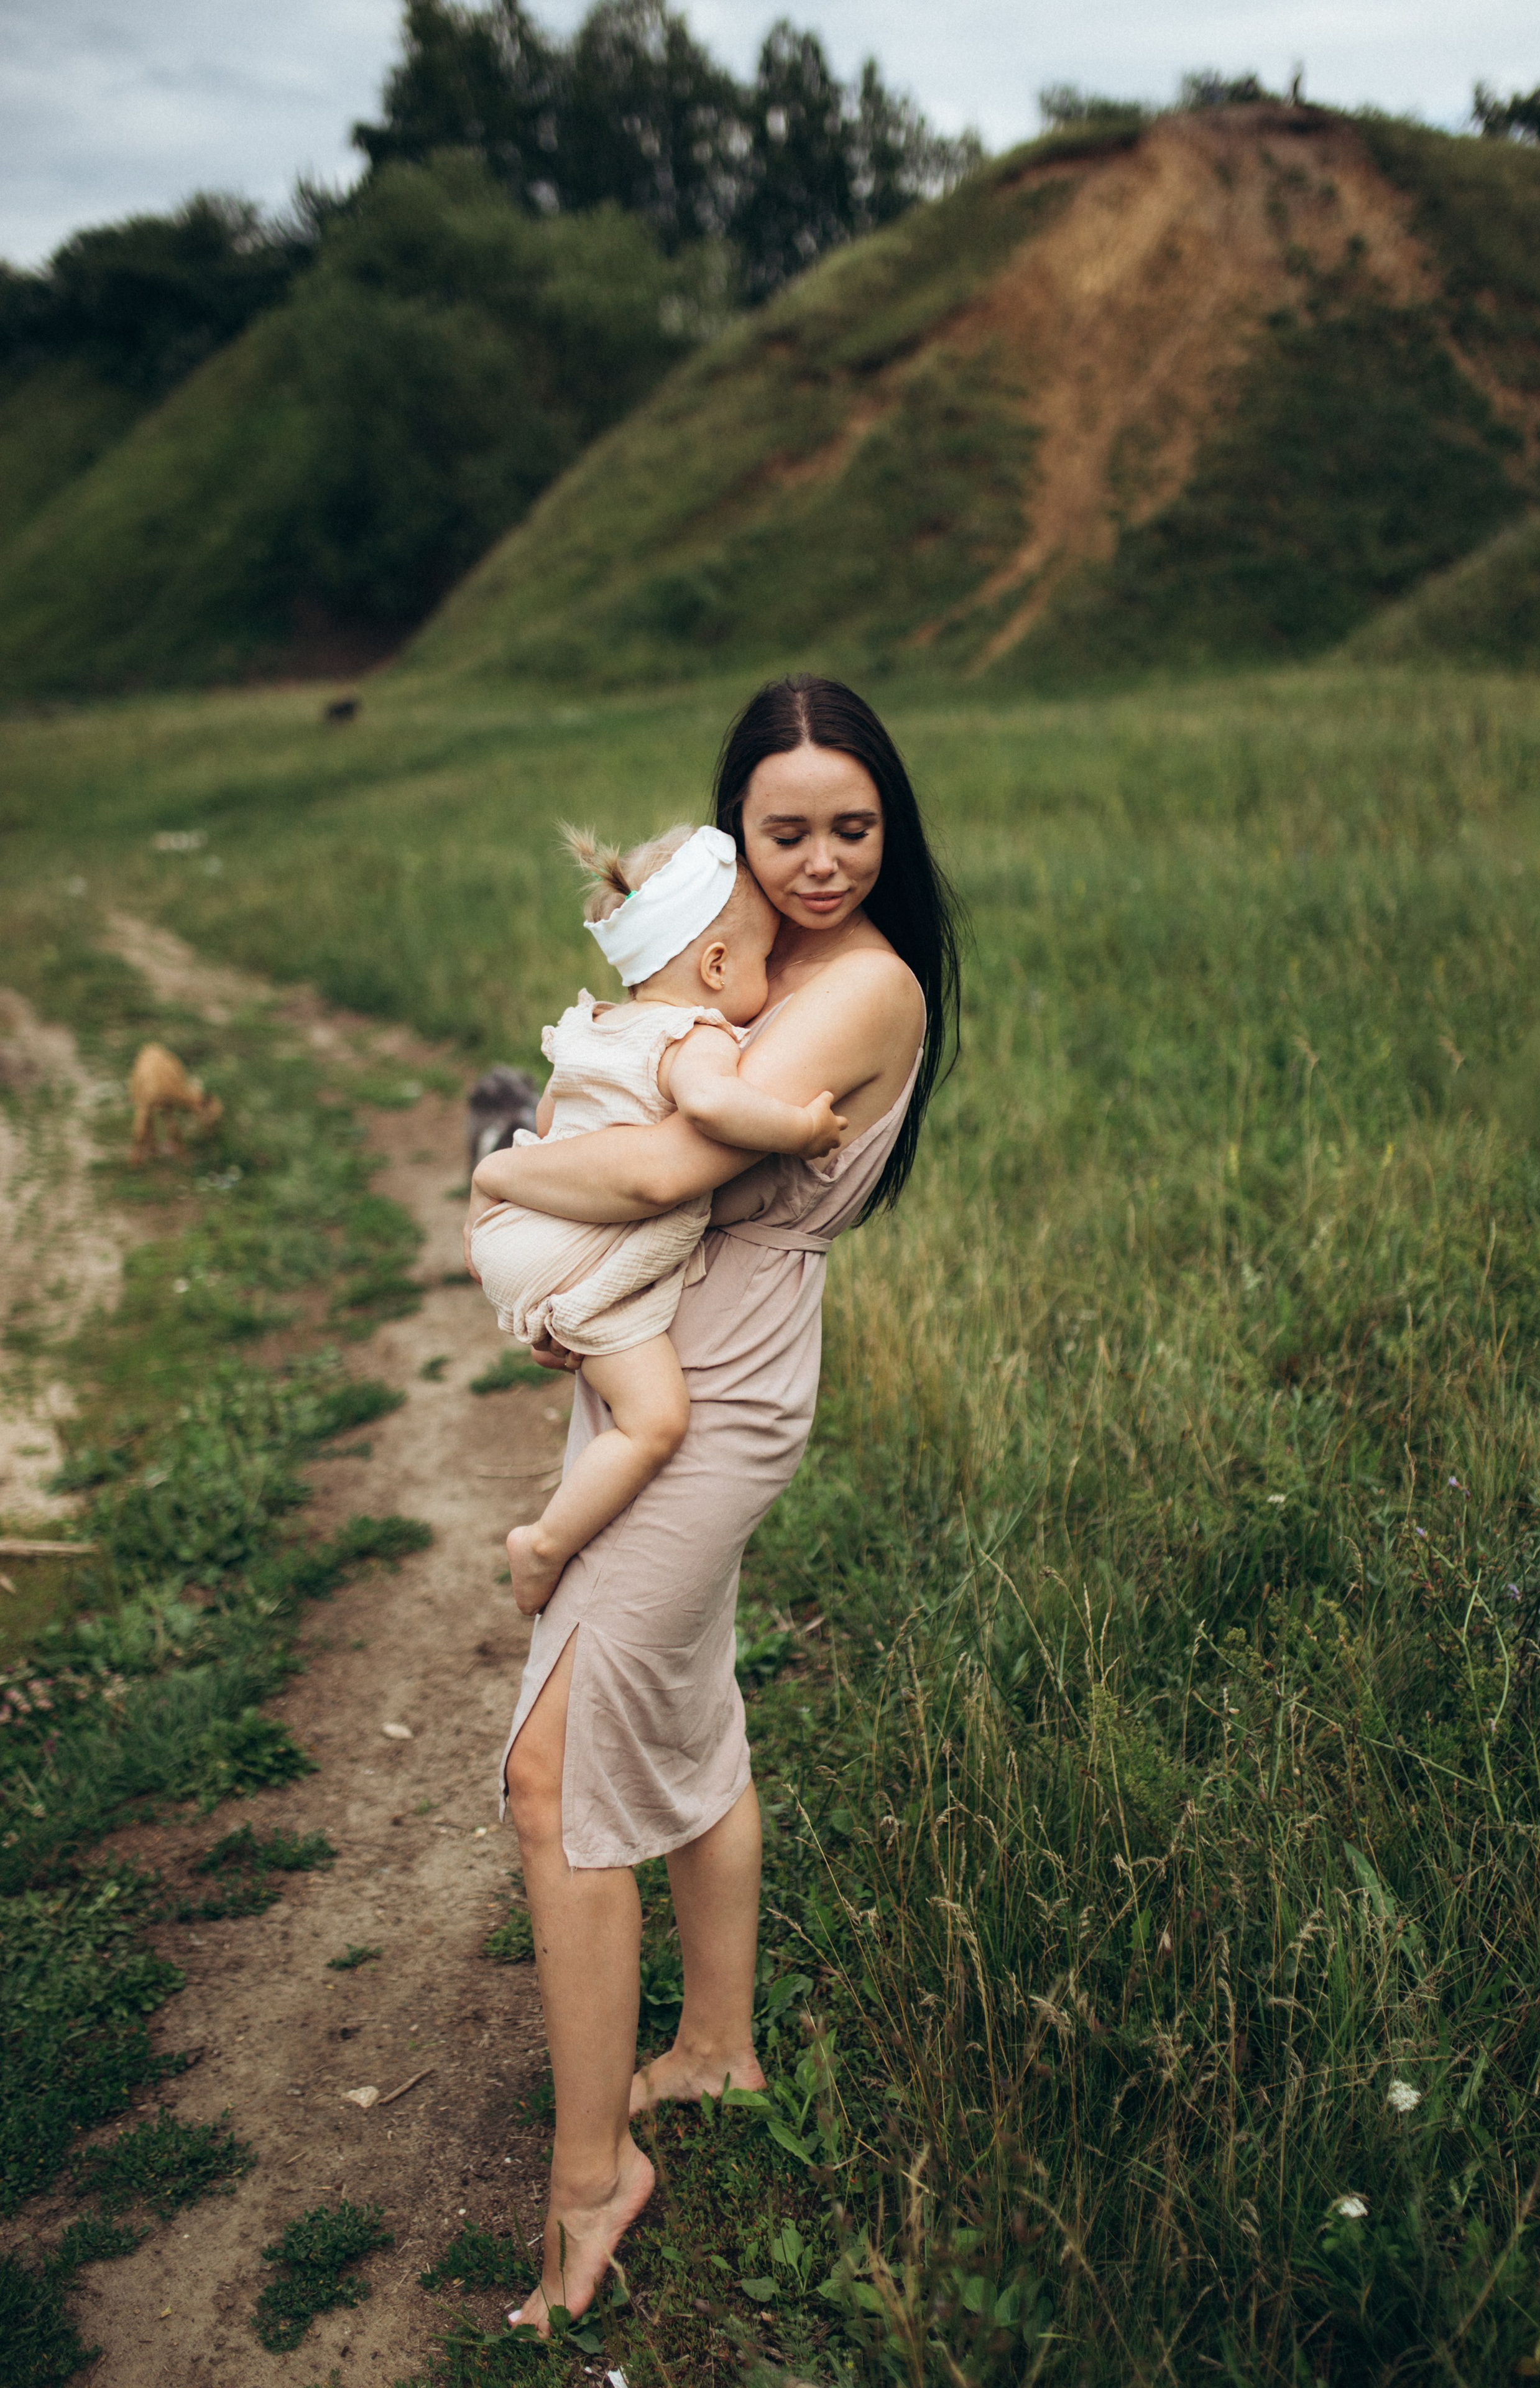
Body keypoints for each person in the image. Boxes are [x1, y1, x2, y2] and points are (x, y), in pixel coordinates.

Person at [463, 673, 961, 2335]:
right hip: (680, 1369)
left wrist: (507, 1170)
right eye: (789, 831)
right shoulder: (755, 959)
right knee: (676, 1700)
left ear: (895, 827)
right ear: (739, 833)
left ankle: (595, 2174)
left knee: (553, 1772)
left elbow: (674, 1168)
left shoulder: (860, 987)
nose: (824, 862)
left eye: (855, 827)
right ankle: (717, 2050)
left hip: (716, 1393)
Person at [470, 820, 847, 1614]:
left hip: (515, 1229)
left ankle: (560, 1319)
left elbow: (545, 1125)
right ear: (716, 965)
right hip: (574, 1252)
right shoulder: (692, 1037)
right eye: (761, 961)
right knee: (655, 1422)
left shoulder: (595, 1026)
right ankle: (541, 1545)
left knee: (616, 1377)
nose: (770, 983)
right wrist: (801, 1131)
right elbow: (711, 1107)